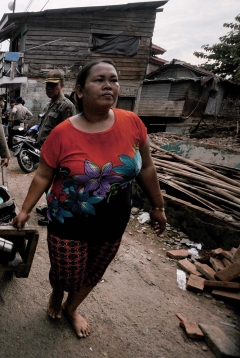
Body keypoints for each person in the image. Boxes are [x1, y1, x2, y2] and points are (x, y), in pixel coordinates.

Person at [12, 59, 167, 338]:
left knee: (94, 272)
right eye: (99, 79)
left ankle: (72, 308)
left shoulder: (132, 123)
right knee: (66, 273)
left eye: (114, 79)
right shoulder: (62, 133)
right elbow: (43, 176)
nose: (109, 85)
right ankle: (57, 292)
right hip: (68, 219)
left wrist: (158, 206)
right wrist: (25, 210)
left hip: (112, 221)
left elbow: (146, 167)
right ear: (80, 91)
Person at [35, 69, 77, 226]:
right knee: (46, 183)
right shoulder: (50, 104)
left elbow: (69, 134)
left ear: (62, 85)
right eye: (47, 86)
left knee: (54, 185)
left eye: (53, 85)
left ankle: (52, 214)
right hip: (46, 152)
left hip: (57, 155)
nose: (49, 89)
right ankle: (48, 207)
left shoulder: (66, 106)